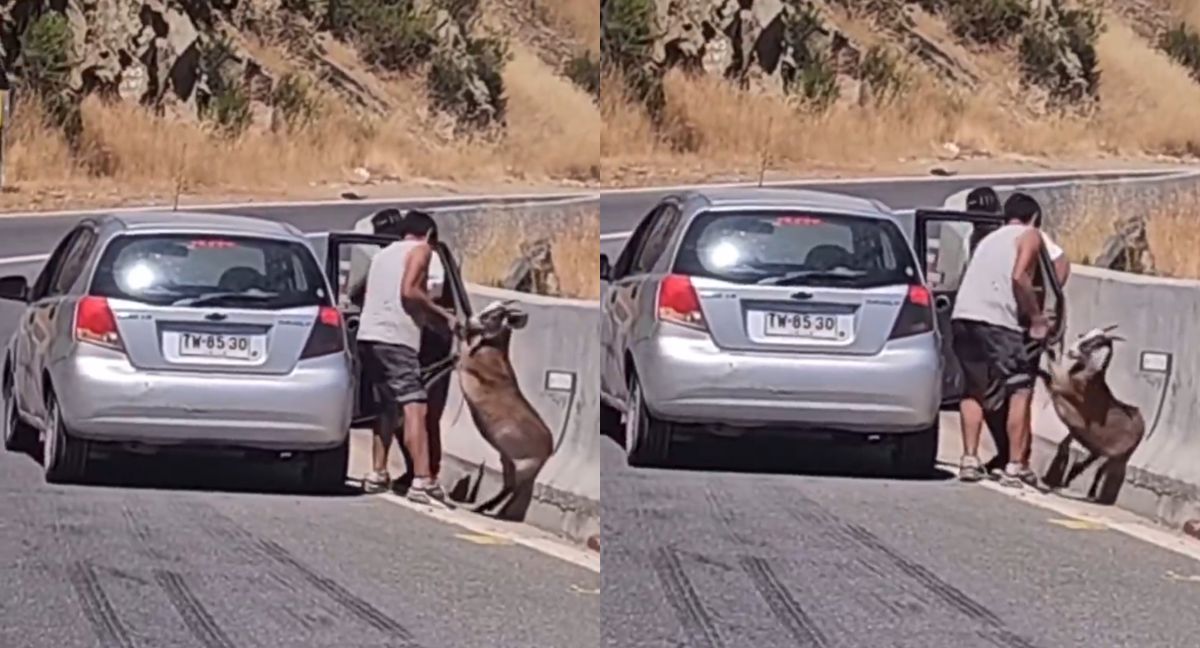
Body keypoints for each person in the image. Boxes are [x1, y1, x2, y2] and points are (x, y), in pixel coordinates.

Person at [950, 192, 1051, 488]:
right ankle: (1015, 465)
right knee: (1019, 389)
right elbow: (1020, 277)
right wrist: (1036, 317)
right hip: (997, 322)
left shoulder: (988, 240)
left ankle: (969, 459)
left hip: (963, 317)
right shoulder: (1030, 234)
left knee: (974, 390)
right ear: (1034, 218)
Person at [357, 210, 457, 506]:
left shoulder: (383, 255)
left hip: (368, 337)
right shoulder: (422, 250)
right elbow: (410, 291)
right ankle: (423, 480)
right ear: (428, 234)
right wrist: (443, 316)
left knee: (386, 407)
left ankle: (378, 472)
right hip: (396, 339)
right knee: (416, 408)